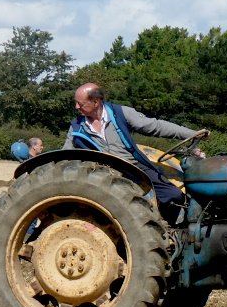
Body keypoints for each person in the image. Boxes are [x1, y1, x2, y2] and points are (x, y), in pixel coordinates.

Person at [63, 82, 208, 224]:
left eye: (80, 104)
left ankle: (168, 226)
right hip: (101, 174)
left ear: (96, 102)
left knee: (173, 194)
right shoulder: (76, 127)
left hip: (132, 165)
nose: (76, 107)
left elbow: (156, 126)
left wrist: (192, 134)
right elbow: (65, 154)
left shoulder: (120, 113)